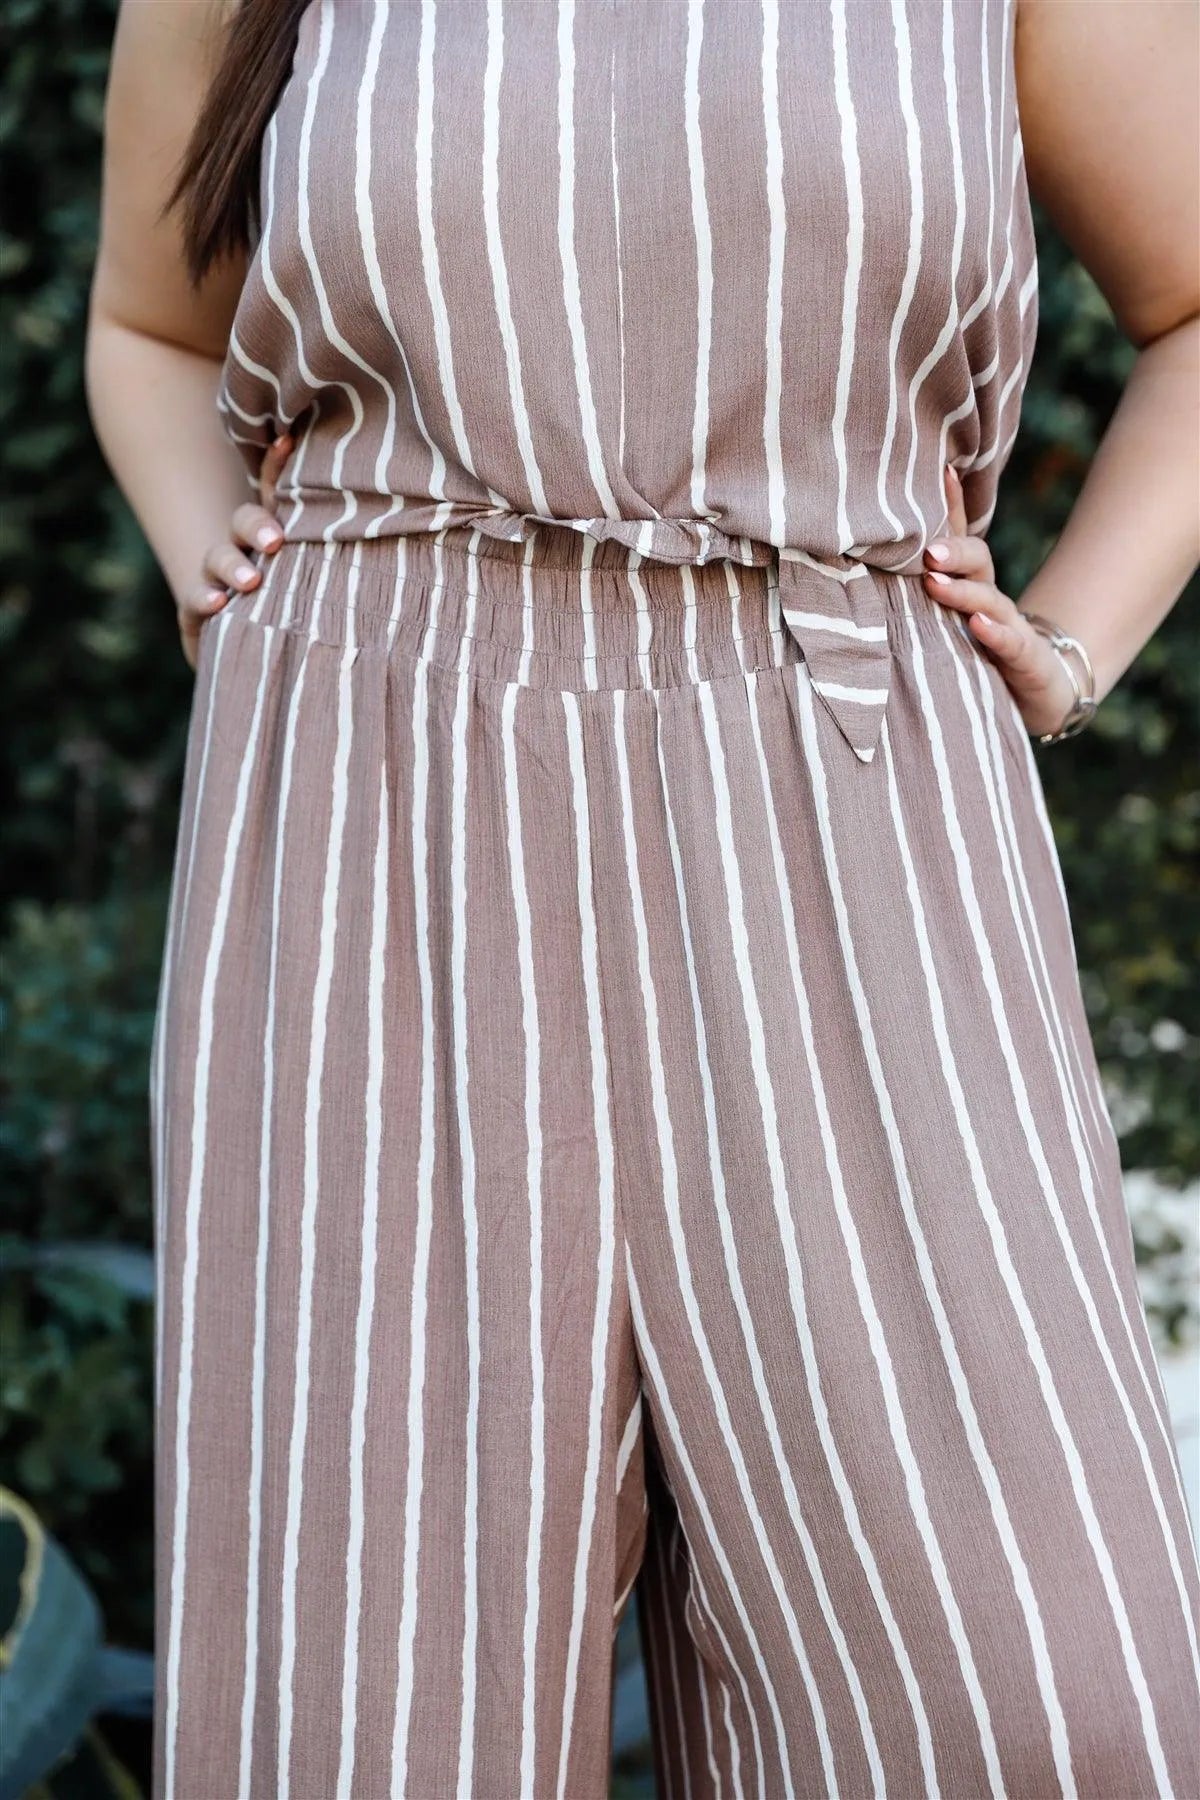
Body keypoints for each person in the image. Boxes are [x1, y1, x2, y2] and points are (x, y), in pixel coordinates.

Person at [85, 1, 1200, 1795]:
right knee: (373, 1709)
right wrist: (211, 565)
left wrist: (1069, 649)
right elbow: (149, 326)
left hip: (854, 790)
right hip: (378, 805)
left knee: (1044, 1701)